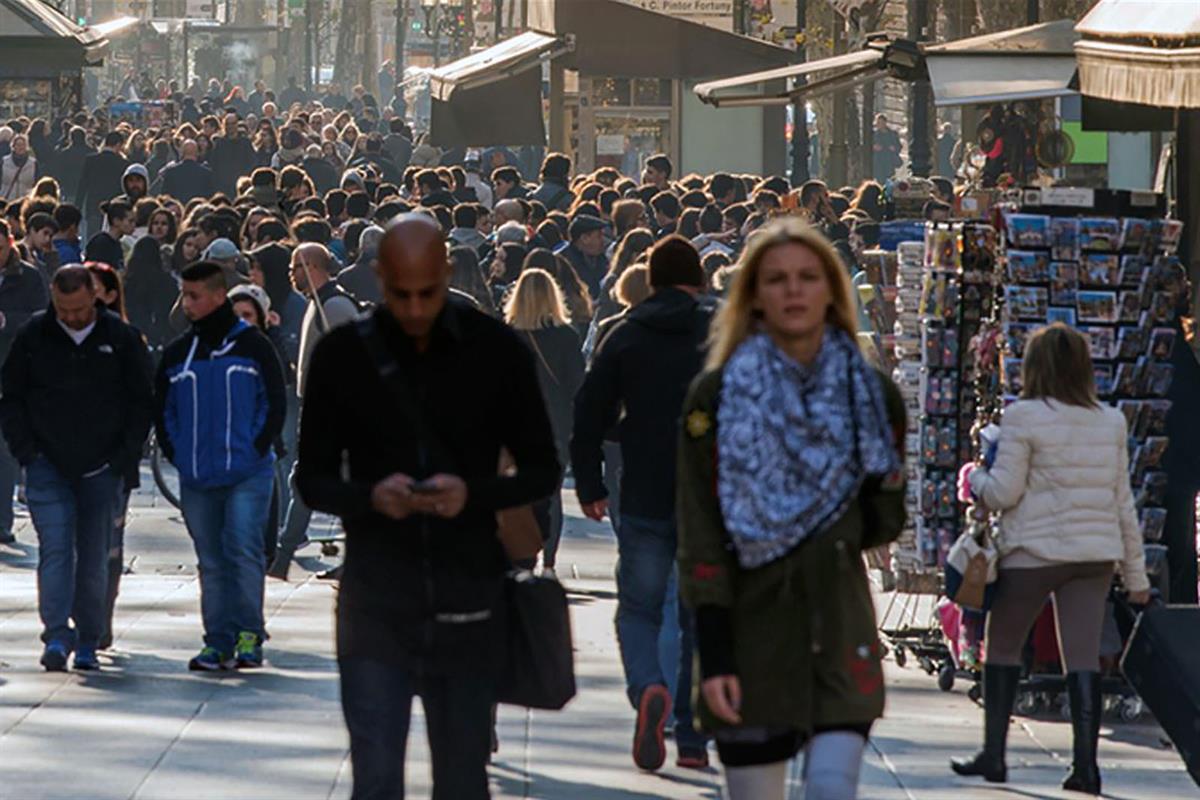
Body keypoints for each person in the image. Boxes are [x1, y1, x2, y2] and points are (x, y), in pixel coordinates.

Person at [295, 214, 559, 799]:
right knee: (377, 774)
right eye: (400, 293)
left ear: (446, 273)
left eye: (428, 293)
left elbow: (543, 468)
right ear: (378, 280)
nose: (415, 308)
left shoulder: (496, 352)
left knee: (463, 778)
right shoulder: (344, 356)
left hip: (469, 598)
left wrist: (473, 494)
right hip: (376, 599)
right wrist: (369, 497)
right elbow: (310, 477)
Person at [675, 219, 905, 800]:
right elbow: (700, 531)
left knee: (833, 789)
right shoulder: (717, 396)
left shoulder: (870, 394)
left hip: (839, 622)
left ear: (832, 289)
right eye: (776, 279)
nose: (794, 291)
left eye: (808, 277)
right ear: (753, 294)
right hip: (751, 630)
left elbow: (887, 514)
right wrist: (716, 651)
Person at [952, 323, 1150, 795]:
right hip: (1094, 555)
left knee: (1001, 647)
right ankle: (1086, 767)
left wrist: (975, 479)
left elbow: (1003, 492)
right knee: (1081, 656)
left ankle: (994, 756)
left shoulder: (1024, 418)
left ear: (1034, 367)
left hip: (1034, 553)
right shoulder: (1110, 421)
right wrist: (1136, 577)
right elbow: (1124, 504)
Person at [570, 235, 714, 772]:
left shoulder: (624, 334)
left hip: (645, 490)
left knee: (639, 607)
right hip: (709, 495)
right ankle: (693, 734)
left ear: (649, 279)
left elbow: (588, 412)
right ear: (698, 278)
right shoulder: (722, 332)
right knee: (698, 612)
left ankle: (647, 686)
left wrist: (590, 482)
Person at [0, 265, 153, 671]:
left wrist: (125, 455)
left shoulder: (118, 339)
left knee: (93, 555)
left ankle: (87, 636)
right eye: (63, 309)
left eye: (80, 309)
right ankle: (55, 633)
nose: (71, 317)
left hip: (102, 466)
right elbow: (11, 395)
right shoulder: (34, 335)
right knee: (54, 551)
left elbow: (142, 398)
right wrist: (26, 450)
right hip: (46, 462)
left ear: (96, 298)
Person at [155, 261, 287, 671]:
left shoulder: (253, 346)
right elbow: (164, 410)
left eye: (194, 295)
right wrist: (179, 453)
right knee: (210, 559)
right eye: (184, 295)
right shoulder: (179, 353)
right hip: (197, 474)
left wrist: (256, 446)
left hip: (247, 470)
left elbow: (274, 402)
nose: (187, 304)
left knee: (244, 549)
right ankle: (217, 639)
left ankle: (249, 633)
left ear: (217, 295)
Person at [269, 243, 362, 579]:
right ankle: (284, 556)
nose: (290, 274)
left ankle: (282, 557)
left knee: (307, 480)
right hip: (322, 409)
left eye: (295, 267)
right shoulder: (318, 303)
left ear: (311, 266)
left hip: (334, 412)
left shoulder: (334, 306)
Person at [503, 268, 584, 577]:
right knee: (551, 496)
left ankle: (523, 556)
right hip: (556, 424)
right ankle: (549, 562)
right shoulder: (566, 336)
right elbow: (577, 385)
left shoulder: (507, 334)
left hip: (514, 425)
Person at [0, 220, 50, 546]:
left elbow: (42, 318)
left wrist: (8, 321)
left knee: (4, 452)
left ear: (9, 243)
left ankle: (2, 521)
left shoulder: (30, 277)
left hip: (11, 370)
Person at [76, 132, 130, 239]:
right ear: (119, 144)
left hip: (93, 204)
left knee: (92, 237)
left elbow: (83, 185)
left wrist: (78, 204)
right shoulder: (123, 163)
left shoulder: (91, 160)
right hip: (114, 207)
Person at [555, 215, 608, 300]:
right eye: (599, 236)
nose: (603, 241)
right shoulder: (562, 261)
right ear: (584, 238)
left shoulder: (601, 259)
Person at [1, 134, 37, 201]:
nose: (21, 147)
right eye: (18, 145)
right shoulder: (4, 162)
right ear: (13, 146)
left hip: (25, 201)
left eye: (23, 145)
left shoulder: (33, 163)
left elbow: (36, 181)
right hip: (7, 199)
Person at [872, 114, 903, 183]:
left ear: (885, 123)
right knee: (880, 180)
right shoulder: (873, 134)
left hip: (889, 161)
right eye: (878, 122)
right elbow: (868, 146)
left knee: (890, 180)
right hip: (878, 161)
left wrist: (894, 148)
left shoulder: (892, 134)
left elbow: (899, 146)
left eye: (881, 122)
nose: (879, 124)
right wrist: (874, 147)